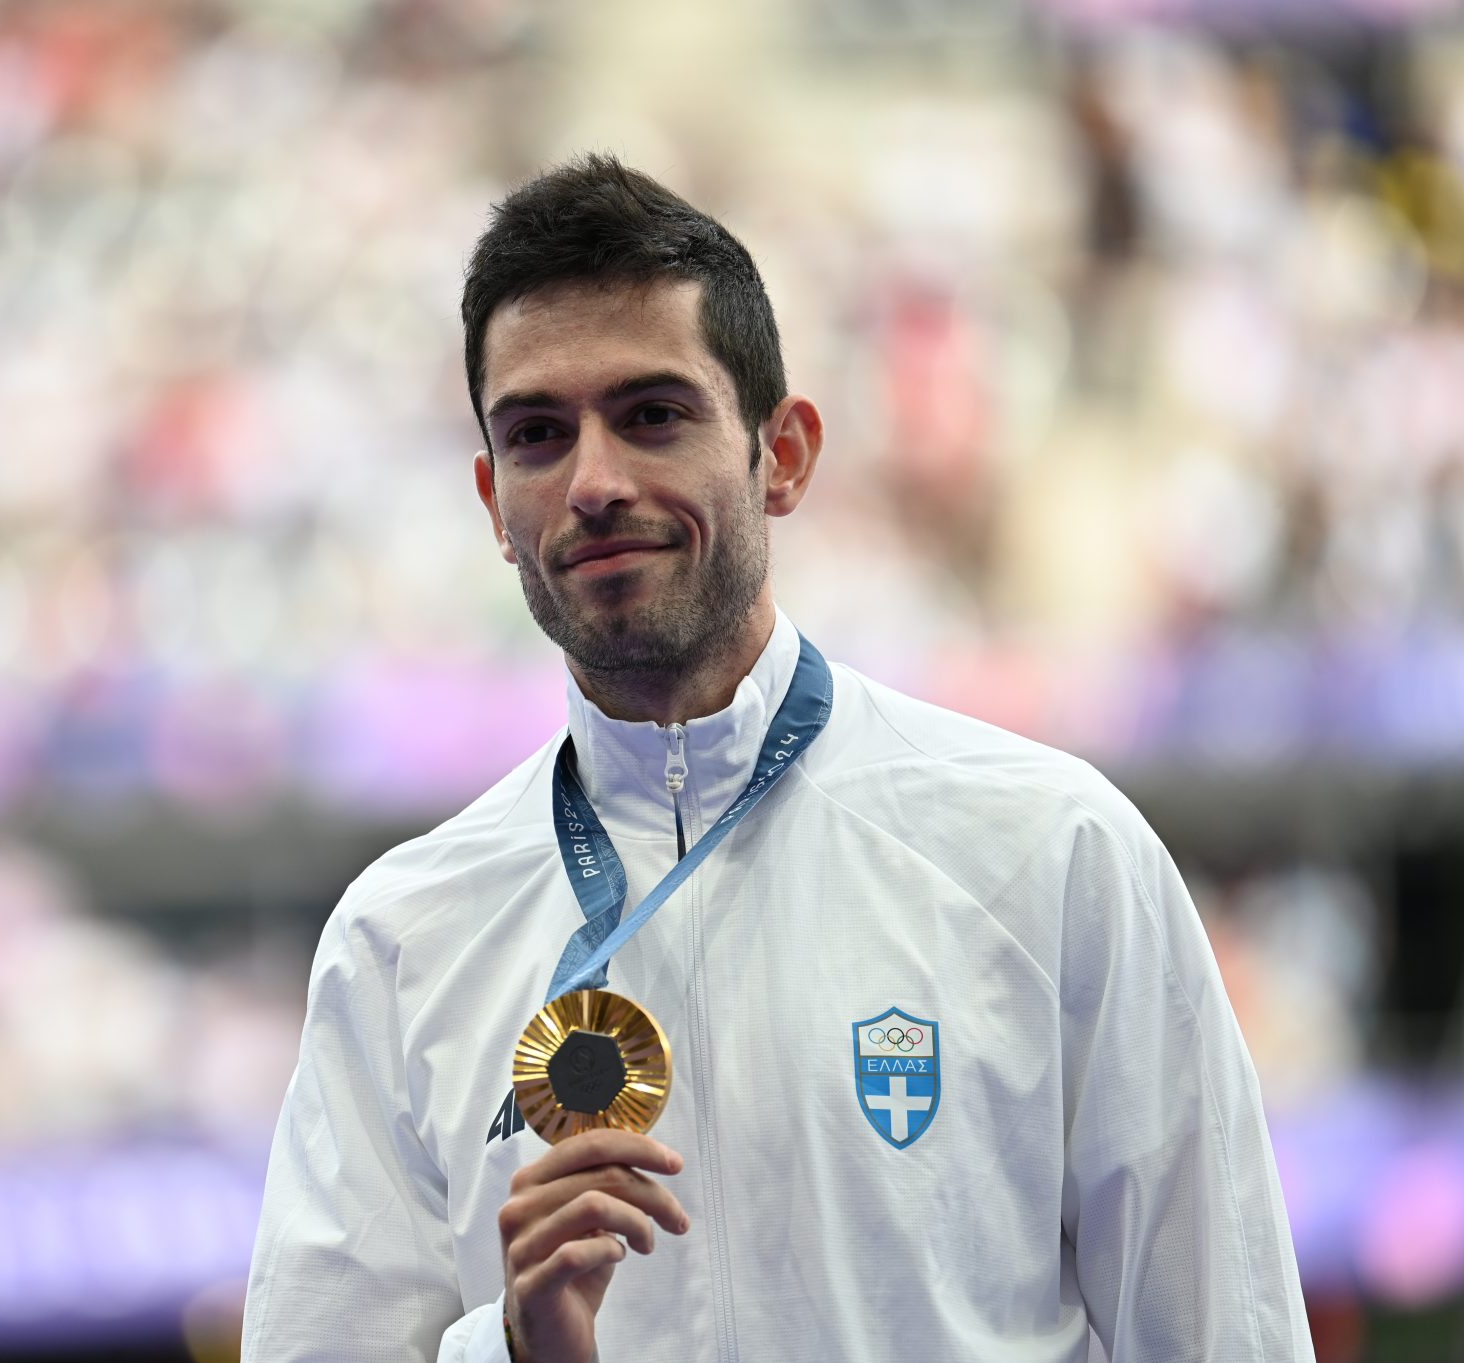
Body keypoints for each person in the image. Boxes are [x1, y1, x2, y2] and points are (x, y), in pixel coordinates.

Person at [242, 155, 1312, 1363]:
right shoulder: (401, 940)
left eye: (651, 414)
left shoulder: (1050, 854)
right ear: (493, 501)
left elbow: (1228, 1337)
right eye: (538, 435)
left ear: (783, 453)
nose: (593, 482)